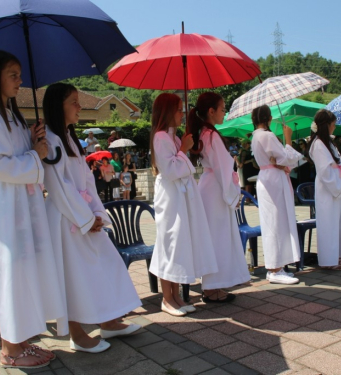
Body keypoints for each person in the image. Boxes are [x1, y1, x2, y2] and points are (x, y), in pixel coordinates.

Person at [0, 49, 65, 369]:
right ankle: (10, 349)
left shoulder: (8, 113)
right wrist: (35, 154)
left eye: (19, 74)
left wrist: (31, 138)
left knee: (25, 272)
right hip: (7, 207)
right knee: (12, 273)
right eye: (13, 74)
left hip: (23, 205)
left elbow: (20, 154)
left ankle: (22, 340)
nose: (19, 80)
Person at [42, 83, 141, 353]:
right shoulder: (49, 140)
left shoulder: (70, 138)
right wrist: (86, 218)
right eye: (73, 102)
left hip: (84, 215)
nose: (79, 106)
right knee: (74, 274)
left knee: (107, 264)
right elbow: (59, 185)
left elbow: (86, 180)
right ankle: (77, 333)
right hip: (66, 218)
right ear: (57, 106)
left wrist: (97, 213)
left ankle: (109, 320)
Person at [149, 93, 218, 316]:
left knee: (179, 243)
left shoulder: (173, 137)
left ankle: (176, 295)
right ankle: (166, 298)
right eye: (178, 109)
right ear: (167, 112)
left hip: (180, 196)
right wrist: (183, 150)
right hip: (170, 197)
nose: (181, 113)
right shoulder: (160, 137)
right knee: (169, 242)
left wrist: (184, 146)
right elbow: (170, 170)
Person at [187, 92, 251, 301]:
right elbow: (223, 168)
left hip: (209, 186)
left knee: (214, 237)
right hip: (216, 189)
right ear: (211, 111)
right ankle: (212, 288)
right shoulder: (211, 135)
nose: (225, 113)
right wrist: (234, 193)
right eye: (223, 109)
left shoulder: (204, 133)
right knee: (218, 237)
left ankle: (213, 286)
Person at [250, 105, 301, 283]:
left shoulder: (256, 135)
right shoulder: (267, 135)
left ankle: (277, 266)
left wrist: (280, 161)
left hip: (268, 177)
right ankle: (274, 269)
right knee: (275, 221)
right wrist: (288, 140)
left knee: (274, 221)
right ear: (268, 118)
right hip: (273, 179)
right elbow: (287, 158)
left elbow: (280, 160)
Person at [308, 109, 341, 270]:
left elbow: (339, 166)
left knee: (339, 223)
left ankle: (339, 256)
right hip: (329, 189)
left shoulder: (328, 143)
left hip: (337, 187)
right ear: (326, 125)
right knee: (329, 224)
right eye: (333, 124)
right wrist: (340, 187)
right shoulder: (318, 144)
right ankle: (329, 260)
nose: (334, 127)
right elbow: (325, 172)